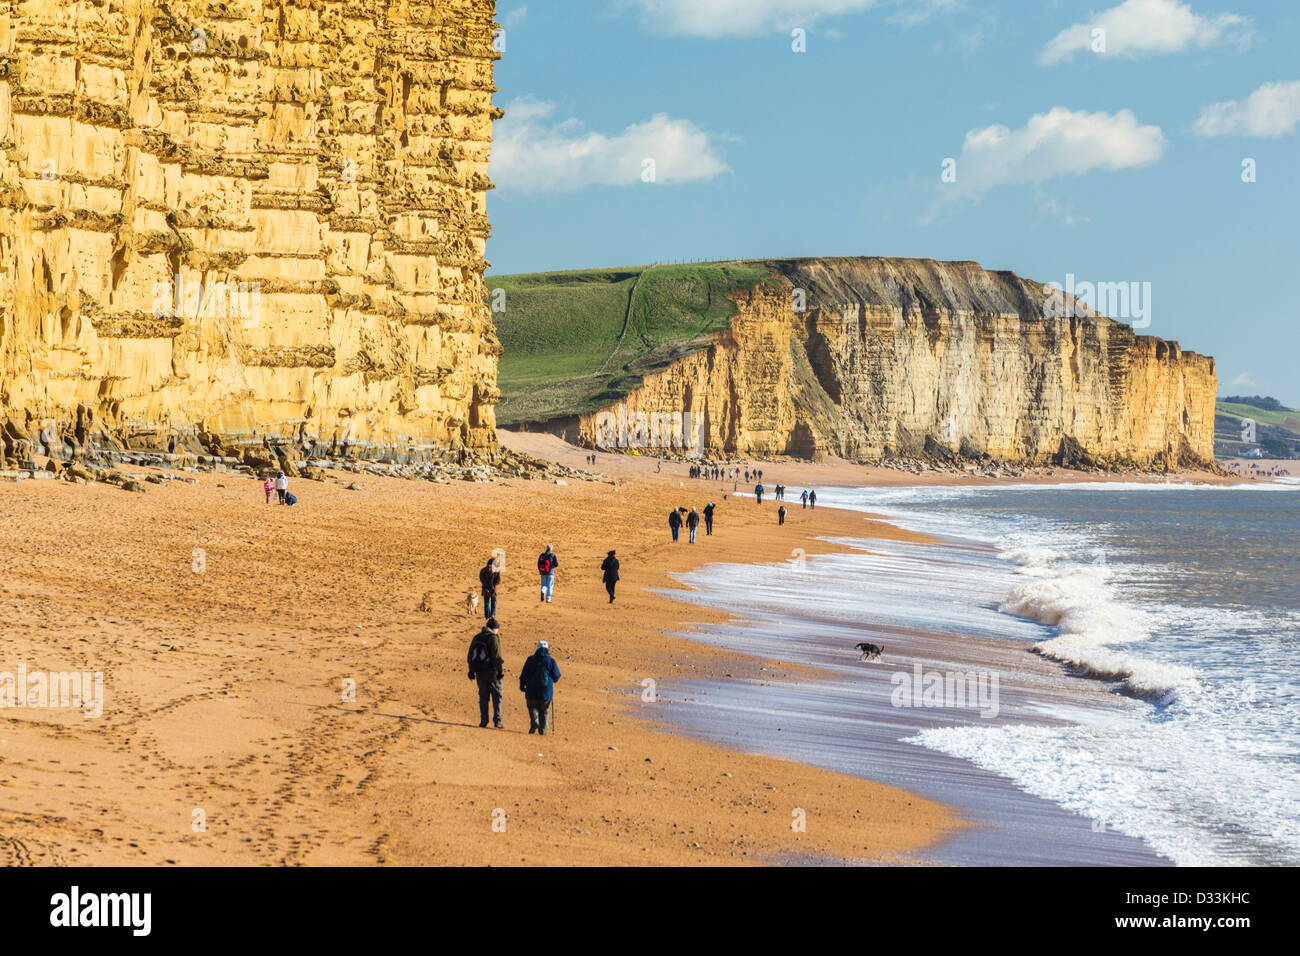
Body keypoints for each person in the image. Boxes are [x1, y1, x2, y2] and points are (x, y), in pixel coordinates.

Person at [467, 617, 505, 729]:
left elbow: (470, 656)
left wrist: (471, 671)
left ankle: (483, 721)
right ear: (494, 629)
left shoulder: (477, 637)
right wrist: (499, 672)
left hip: (479, 672)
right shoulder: (493, 638)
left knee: (483, 697)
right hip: (492, 673)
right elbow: (497, 657)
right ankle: (497, 721)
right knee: (497, 696)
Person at [520, 640, 561, 735]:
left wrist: (522, 685)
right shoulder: (551, 661)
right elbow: (556, 676)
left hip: (531, 690)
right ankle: (543, 731)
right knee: (545, 711)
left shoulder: (530, 660)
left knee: (532, 707)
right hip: (546, 692)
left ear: (537, 649)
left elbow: (524, 674)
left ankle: (535, 722)